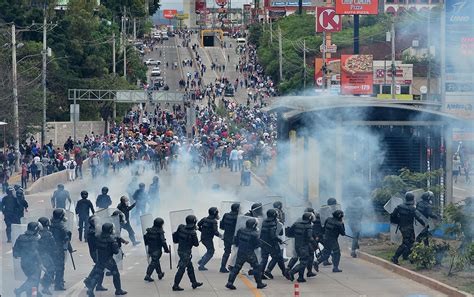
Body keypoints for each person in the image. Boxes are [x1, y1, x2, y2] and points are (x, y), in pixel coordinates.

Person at [84, 223, 128, 296]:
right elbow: (116, 251)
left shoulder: (98, 237)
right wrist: (117, 244)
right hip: (109, 260)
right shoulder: (111, 240)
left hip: (100, 258)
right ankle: (118, 290)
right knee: (116, 274)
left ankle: (91, 289)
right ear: (110, 230)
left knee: (97, 274)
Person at [225, 218, 267, 290]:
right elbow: (257, 245)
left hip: (241, 252)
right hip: (249, 253)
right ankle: (259, 283)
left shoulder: (241, 230)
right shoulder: (255, 234)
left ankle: (230, 282)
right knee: (256, 267)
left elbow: (236, 240)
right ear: (254, 225)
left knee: (236, 267)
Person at [390, 192, 426, 265]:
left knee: (411, 242)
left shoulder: (399, 207)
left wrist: (398, 221)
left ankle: (409, 257)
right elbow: (418, 217)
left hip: (402, 227)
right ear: (412, 199)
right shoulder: (412, 208)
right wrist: (424, 224)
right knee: (406, 243)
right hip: (409, 228)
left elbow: (392, 216)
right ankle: (395, 257)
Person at [171, 215, 203, 291]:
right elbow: (196, 244)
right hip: (186, 253)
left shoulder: (181, 227)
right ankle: (175, 285)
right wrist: (194, 231)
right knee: (181, 269)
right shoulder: (192, 233)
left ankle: (194, 283)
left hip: (180, 250)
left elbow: (177, 235)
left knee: (190, 267)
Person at [13, 222, 42, 297]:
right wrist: (40, 263)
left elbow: (15, 251)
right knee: (33, 280)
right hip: (34, 264)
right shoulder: (36, 239)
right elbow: (37, 253)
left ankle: (33, 294)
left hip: (24, 263)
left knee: (32, 280)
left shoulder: (20, 237)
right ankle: (19, 290)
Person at [286, 212, 315, 282]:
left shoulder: (296, 224)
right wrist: (315, 243)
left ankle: (301, 277)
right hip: (304, 246)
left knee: (302, 260)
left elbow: (289, 233)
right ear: (310, 218)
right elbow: (310, 237)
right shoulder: (308, 226)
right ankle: (291, 272)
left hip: (297, 245)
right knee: (304, 262)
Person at [260, 209, 287, 280]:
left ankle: (261, 273)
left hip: (263, 242)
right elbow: (273, 236)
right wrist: (280, 240)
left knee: (264, 259)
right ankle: (268, 271)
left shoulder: (263, 222)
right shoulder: (273, 223)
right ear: (274, 215)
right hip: (272, 244)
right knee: (277, 257)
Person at [50, 208, 72, 291]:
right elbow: (66, 238)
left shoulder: (50, 224)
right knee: (60, 267)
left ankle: (48, 281)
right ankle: (58, 285)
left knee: (52, 265)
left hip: (50, 248)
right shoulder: (61, 226)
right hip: (59, 248)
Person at [144, 217, 170, 282]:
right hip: (157, 250)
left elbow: (145, 239)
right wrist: (166, 250)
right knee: (154, 262)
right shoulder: (160, 231)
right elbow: (163, 241)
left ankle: (160, 273)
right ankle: (148, 275)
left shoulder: (149, 231)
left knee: (156, 261)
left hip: (150, 249)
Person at [219, 203, 240, 273]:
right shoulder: (238, 217)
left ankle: (222, 267)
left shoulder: (226, 215)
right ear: (237, 209)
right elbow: (239, 228)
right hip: (235, 237)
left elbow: (221, 226)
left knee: (227, 252)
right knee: (237, 252)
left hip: (226, 236)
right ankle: (232, 266)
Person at [38, 217, 56, 295]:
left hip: (35, 255)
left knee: (34, 275)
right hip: (44, 255)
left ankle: (33, 292)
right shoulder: (48, 234)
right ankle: (45, 286)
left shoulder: (35, 232)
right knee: (51, 269)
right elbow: (53, 245)